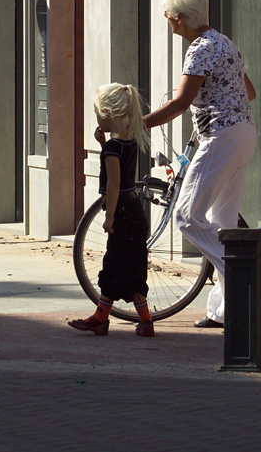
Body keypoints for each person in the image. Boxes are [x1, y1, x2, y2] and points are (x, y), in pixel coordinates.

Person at [144, 0, 257, 329]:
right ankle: (224, 311)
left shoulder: (199, 49)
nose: (167, 21)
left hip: (221, 137)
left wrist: (137, 124)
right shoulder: (224, 43)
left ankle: (243, 276)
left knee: (186, 216)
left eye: (167, 15)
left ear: (179, 18)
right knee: (223, 224)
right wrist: (212, 105)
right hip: (243, 134)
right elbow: (248, 92)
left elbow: (179, 102)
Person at [69, 83, 155, 337]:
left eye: (97, 113)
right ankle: (143, 319)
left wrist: (109, 216)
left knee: (115, 263)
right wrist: (103, 140)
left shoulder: (111, 149)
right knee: (132, 265)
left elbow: (114, 183)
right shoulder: (129, 142)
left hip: (121, 212)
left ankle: (101, 318)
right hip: (134, 209)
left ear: (107, 113)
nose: (96, 119)